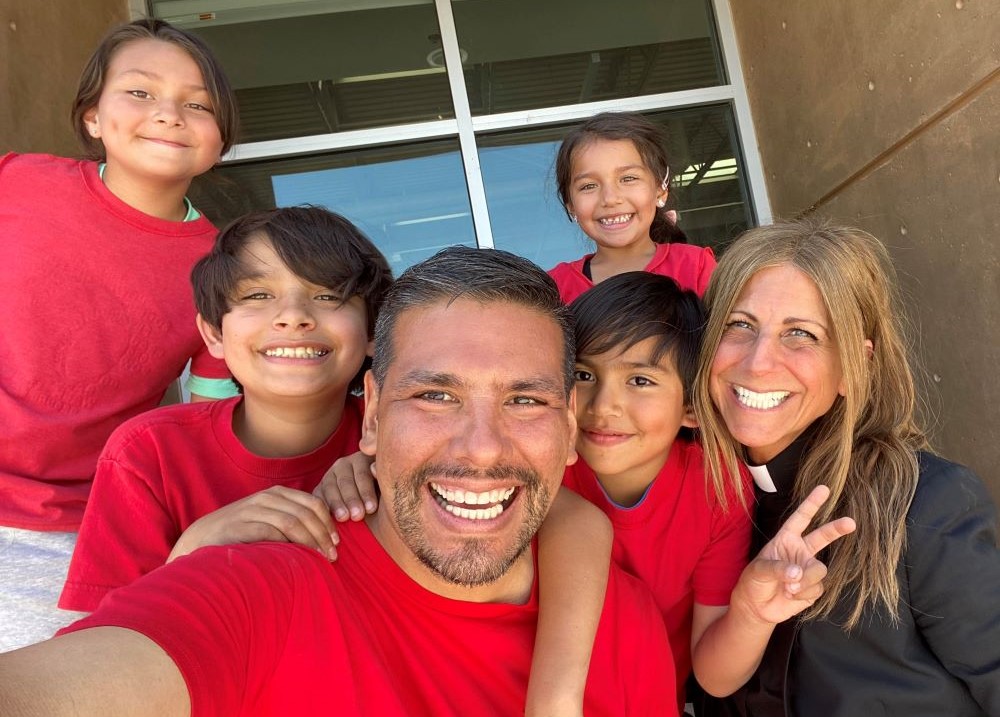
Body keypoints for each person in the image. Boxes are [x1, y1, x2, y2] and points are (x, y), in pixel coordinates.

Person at [0, 247, 679, 716]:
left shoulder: (621, 621)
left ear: (568, 432)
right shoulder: (259, 586)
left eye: (524, 400)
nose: (481, 449)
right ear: (373, 416)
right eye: (436, 396)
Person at [318, 271, 856, 716]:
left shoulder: (716, 489)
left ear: (693, 407)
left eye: (641, 381)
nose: (603, 405)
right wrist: (367, 462)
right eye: (582, 374)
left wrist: (753, 612)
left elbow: (713, 678)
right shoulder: (536, 463)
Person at [693, 219, 1000, 716]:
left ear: (852, 367)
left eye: (801, 334)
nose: (757, 363)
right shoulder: (697, 499)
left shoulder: (923, 502)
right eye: (739, 324)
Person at [0, 18, 240, 649]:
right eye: (140, 92)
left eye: (198, 104)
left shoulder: (220, 272)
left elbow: (206, 423)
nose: (170, 113)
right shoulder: (17, 180)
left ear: (222, 139)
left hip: (69, 533)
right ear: (92, 118)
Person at [58, 207, 393, 612]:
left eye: (327, 296)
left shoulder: (402, 433)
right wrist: (193, 549)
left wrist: (387, 465)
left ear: (375, 331)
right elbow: (101, 640)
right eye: (257, 296)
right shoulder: (150, 452)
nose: (293, 317)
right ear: (214, 334)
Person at [547, 111, 717, 303]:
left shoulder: (695, 267)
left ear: (661, 191)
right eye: (588, 186)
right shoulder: (555, 288)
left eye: (629, 178)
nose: (610, 199)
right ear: (570, 205)